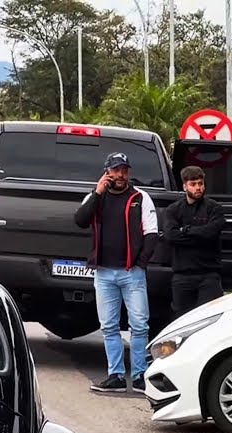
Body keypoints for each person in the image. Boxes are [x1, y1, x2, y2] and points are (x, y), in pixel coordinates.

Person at [74, 151, 160, 395]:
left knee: (139, 325)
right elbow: (80, 220)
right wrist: (97, 192)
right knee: (109, 326)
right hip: (103, 273)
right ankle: (116, 376)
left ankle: (141, 375)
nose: (120, 174)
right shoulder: (95, 198)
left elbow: (151, 234)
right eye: (115, 170)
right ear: (107, 172)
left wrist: (140, 263)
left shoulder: (140, 198)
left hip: (131, 272)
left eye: (124, 169)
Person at [162, 165, 226, 318]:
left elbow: (211, 232)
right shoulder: (173, 210)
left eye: (200, 183)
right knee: (181, 320)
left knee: (210, 319)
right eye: (193, 184)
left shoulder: (214, 208)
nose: (198, 188)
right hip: (182, 276)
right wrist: (200, 235)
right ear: (185, 186)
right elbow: (170, 235)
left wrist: (186, 230)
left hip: (209, 275)